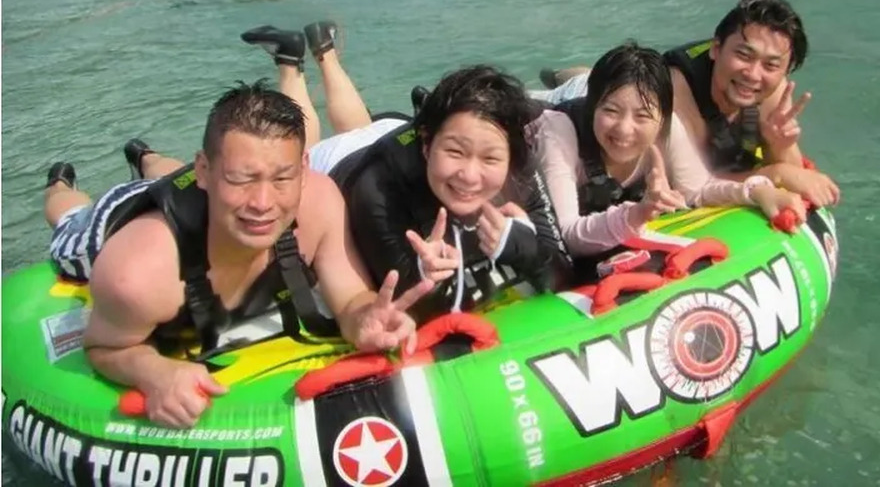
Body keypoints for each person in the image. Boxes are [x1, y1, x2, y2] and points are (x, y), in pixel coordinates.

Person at [44, 81, 431, 429]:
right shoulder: (136, 274)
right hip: (113, 221)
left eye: (282, 178)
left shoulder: (320, 203)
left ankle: (146, 156)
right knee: (70, 218)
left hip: (204, 193)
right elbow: (103, 347)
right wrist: (154, 372)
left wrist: (365, 318)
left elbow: (350, 299)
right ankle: (60, 183)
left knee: (188, 174)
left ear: (303, 169)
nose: (262, 203)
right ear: (204, 170)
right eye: (241, 179)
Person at [241, 24, 571, 323]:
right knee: (302, 141)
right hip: (342, 159)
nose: (470, 177)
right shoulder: (378, 189)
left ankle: (324, 53)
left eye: (490, 159)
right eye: (456, 153)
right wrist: (425, 276)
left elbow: (565, 273)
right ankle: (291, 63)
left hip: (397, 132)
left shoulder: (519, 166)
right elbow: (404, 311)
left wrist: (522, 246)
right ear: (426, 145)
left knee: (360, 124)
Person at [535, 0, 840, 207]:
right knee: (579, 89)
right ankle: (571, 78)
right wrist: (774, 174)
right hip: (605, 105)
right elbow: (693, 181)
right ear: (716, 48)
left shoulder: (772, 88)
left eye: (772, 65)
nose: (754, 74)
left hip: (630, 97)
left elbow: (799, 177)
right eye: (744, 55)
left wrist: (780, 145)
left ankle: (578, 73)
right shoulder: (679, 91)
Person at [533, 43, 806, 258]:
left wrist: (757, 192)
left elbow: (698, 190)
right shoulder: (557, 131)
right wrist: (638, 213)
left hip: (609, 93)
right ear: (593, 106)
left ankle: (584, 80)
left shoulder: (667, 126)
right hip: (544, 110)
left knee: (621, 94)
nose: (625, 129)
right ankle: (574, 79)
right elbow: (567, 235)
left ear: (662, 117)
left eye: (642, 116)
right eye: (610, 112)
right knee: (559, 94)